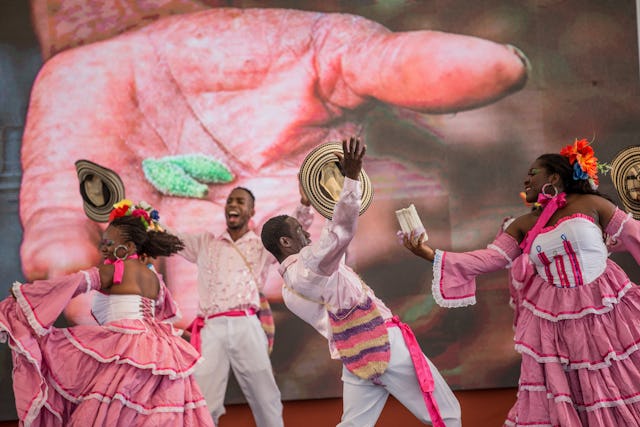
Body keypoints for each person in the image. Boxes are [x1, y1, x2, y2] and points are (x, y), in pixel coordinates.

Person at [402, 138, 640, 426]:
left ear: (554, 177)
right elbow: (489, 259)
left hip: (607, 310)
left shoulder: (591, 203)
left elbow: (634, 235)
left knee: (617, 381)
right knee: (573, 392)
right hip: (557, 321)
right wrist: (429, 254)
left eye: (533, 173)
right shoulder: (523, 224)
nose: (526, 179)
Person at [261, 137, 462, 427]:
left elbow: (320, 238)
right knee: (445, 413)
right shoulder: (314, 266)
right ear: (285, 241)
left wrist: (308, 201)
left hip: (355, 354)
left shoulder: (290, 285)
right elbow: (340, 230)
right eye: (300, 232)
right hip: (384, 343)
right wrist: (351, 178)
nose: (307, 234)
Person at [0, 200, 215, 426]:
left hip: (127, 347)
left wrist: (27, 295)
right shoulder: (154, 278)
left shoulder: (116, 270)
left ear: (130, 247)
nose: (103, 249)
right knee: (155, 412)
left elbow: (71, 285)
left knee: (116, 409)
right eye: (103, 243)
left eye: (109, 243)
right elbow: (162, 312)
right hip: (160, 351)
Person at [175, 185, 312, 427]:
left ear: (251, 211)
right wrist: (142, 220)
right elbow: (171, 240)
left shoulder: (261, 245)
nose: (232, 205)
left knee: (265, 397)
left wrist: (304, 202)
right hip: (211, 328)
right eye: (229, 201)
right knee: (203, 401)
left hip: (246, 323)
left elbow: (292, 229)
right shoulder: (206, 243)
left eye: (239, 201)